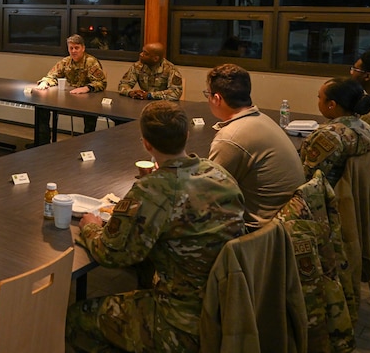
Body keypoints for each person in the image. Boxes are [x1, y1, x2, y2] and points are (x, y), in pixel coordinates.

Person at [67, 102, 245, 353]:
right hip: (230, 303)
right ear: (186, 136)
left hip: (183, 321)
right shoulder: (219, 174)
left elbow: (113, 254)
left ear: (146, 144)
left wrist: (90, 227)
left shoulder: (151, 189)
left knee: (76, 318)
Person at [205, 63, 305, 228]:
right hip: (288, 220)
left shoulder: (231, 137)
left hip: (262, 234)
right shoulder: (262, 119)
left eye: (207, 94)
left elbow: (208, 193)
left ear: (217, 99)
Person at [30, 34, 106, 146]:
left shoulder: (91, 62)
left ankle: (87, 146)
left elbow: (101, 82)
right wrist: (45, 82)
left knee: (91, 113)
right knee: (42, 107)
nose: (74, 51)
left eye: (77, 48)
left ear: (83, 48)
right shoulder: (65, 62)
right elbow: (52, 75)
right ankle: (43, 144)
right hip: (69, 98)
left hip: (87, 100)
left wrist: (87, 88)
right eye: (71, 48)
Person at [299, 77, 370, 187]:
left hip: (329, 198)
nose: (318, 101)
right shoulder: (367, 128)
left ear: (331, 104)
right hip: (357, 195)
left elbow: (309, 179)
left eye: (319, 97)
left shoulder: (329, 136)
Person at [118, 42, 183, 100]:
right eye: (142, 51)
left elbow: (175, 93)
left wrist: (150, 95)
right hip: (143, 104)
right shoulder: (138, 66)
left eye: (145, 54)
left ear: (155, 58)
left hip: (163, 106)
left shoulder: (170, 69)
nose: (141, 54)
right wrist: (131, 92)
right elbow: (123, 84)